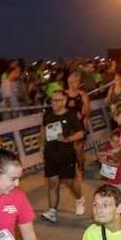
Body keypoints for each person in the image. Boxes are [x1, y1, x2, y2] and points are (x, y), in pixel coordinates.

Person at [39, 90, 86, 222]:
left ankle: (79, 199)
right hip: (50, 153)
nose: (52, 103)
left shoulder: (70, 116)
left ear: (64, 101)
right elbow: (43, 129)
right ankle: (52, 211)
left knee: (69, 181)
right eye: (51, 100)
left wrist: (68, 139)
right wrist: (42, 145)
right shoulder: (47, 115)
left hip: (66, 154)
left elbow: (81, 133)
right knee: (53, 183)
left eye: (56, 100)